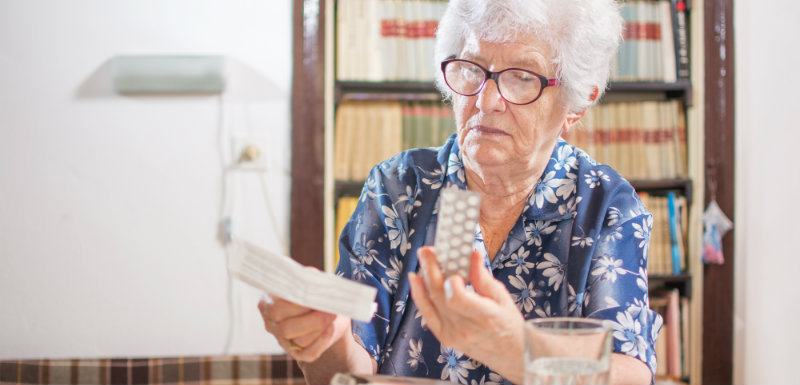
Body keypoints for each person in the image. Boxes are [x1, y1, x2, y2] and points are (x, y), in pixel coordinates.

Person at [259, 0, 661, 384]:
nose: (485, 100)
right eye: (471, 69)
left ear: (578, 102)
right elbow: (346, 371)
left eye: (522, 77)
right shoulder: (399, 187)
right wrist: (323, 338)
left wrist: (517, 350)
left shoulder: (606, 204)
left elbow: (629, 372)